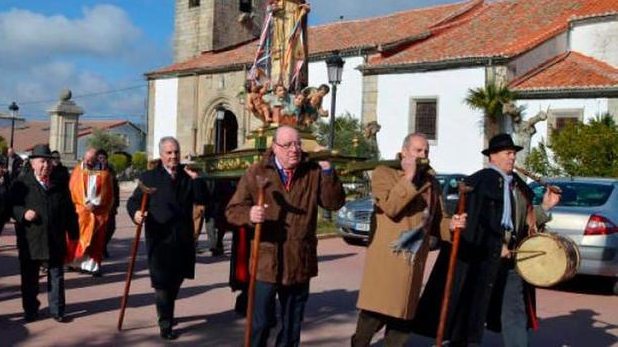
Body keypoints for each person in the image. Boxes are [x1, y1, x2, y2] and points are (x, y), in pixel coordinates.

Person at [414, 133, 561, 346]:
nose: (512, 158)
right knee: (469, 310)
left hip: (512, 260)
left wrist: (546, 207)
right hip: (481, 261)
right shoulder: (478, 183)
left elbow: (524, 223)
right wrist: (495, 245)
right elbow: (473, 224)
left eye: (513, 153)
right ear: (493, 156)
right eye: (507, 153)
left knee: (515, 311)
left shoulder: (518, 186)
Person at [225, 125, 345, 346]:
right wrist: (250, 214)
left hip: (299, 259)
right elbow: (233, 210)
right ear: (275, 147)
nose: (294, 149)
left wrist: (328, 171)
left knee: (292, 325)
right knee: (260, 323)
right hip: (266, 261)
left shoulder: (313, 171)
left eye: (298, 144)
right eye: (288, 145)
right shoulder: (257, 172)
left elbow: (333, 203)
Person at [350, 133, 466, 347]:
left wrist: (451, 226)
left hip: (412, 264)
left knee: (402, 322)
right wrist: (408, 177)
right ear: (404, 152)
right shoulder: (383, 173)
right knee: (372, 319)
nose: (423, 155)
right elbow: (391, 207)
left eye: (426, 151)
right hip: (387, 262)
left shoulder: (432, 182)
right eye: (418, 151)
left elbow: (437, 219)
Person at [126, 136, 209, 340]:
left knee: (176, 281)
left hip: (182, 239)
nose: (173, 156)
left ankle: (167, 311)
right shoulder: (150, 176)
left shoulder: (187, 174)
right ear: (161, 155)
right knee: (162, 284)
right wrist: (136, 214)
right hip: (159, 239)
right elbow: (133, 201)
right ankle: (165, 323)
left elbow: (202, 199)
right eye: (169, 153)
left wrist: (197, 180)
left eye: (176, 152)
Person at [11, 144, 79, 323]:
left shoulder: (59, 185)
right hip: (31, 238)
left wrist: (74, 233)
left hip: (55, 237)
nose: (46, 166)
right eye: (42, 162)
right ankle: (31, 309)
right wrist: (23, 213)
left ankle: (57, 310)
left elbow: (69, 210)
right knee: (30, 277)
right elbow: (10, 206)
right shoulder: (21, 184)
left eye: (49, 162)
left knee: (56, 275)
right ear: (33, 163)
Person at [66, 148, 114, 276]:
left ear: (95, 159)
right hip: (81, 210)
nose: (87, 162)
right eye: (86, 159)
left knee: (96, 240)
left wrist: (95, 203)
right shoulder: (78, 170)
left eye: (90, 160)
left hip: (98, 212)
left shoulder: (104, 173)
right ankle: (75, 263)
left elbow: (108, 192)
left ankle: (92, 266)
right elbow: (73, 188)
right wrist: (85, 202)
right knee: (78, 238)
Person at [96, 149, 120, 260]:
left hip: (110, 206)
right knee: (99, 229)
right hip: (98, 207)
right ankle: (99, 249)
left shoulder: (111, 171)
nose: (101, 160)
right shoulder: (93, 171)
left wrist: (116, 204)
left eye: (103, 158)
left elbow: (116, 188)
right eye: (99, 158)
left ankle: (103, 246)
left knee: (111, 228)